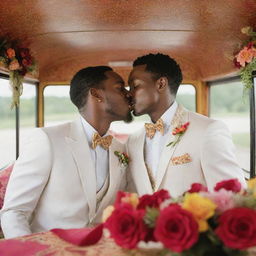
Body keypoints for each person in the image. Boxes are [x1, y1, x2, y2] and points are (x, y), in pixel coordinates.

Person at [1, 66, 132, 238]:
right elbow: (14, 212)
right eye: (120, 88)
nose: (129, 94)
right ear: (97, 94)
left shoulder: (119, 149)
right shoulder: (47, 140)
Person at [126, 53, 246, 197]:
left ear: (161, 84)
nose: (129, 94)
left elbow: (234, 197)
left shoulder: (207, 131)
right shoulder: (133, 141)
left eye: (135, 86)